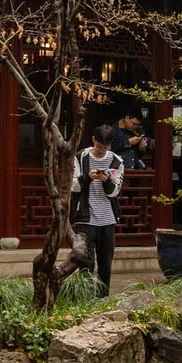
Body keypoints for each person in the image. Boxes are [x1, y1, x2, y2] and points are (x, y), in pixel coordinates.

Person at [73, 126, 125, 296]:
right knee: (86, 261)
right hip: (85, 217)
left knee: (105, 262)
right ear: (93, 140)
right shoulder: (80, 157)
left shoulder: (117, 161)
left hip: (108, 217)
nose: (102, 150)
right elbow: (73, 186)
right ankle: (85, 297)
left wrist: (106, 181)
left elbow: (115, 191)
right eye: (99, 145)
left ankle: (103, 297)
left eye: (106, 147)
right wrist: (87, 177)